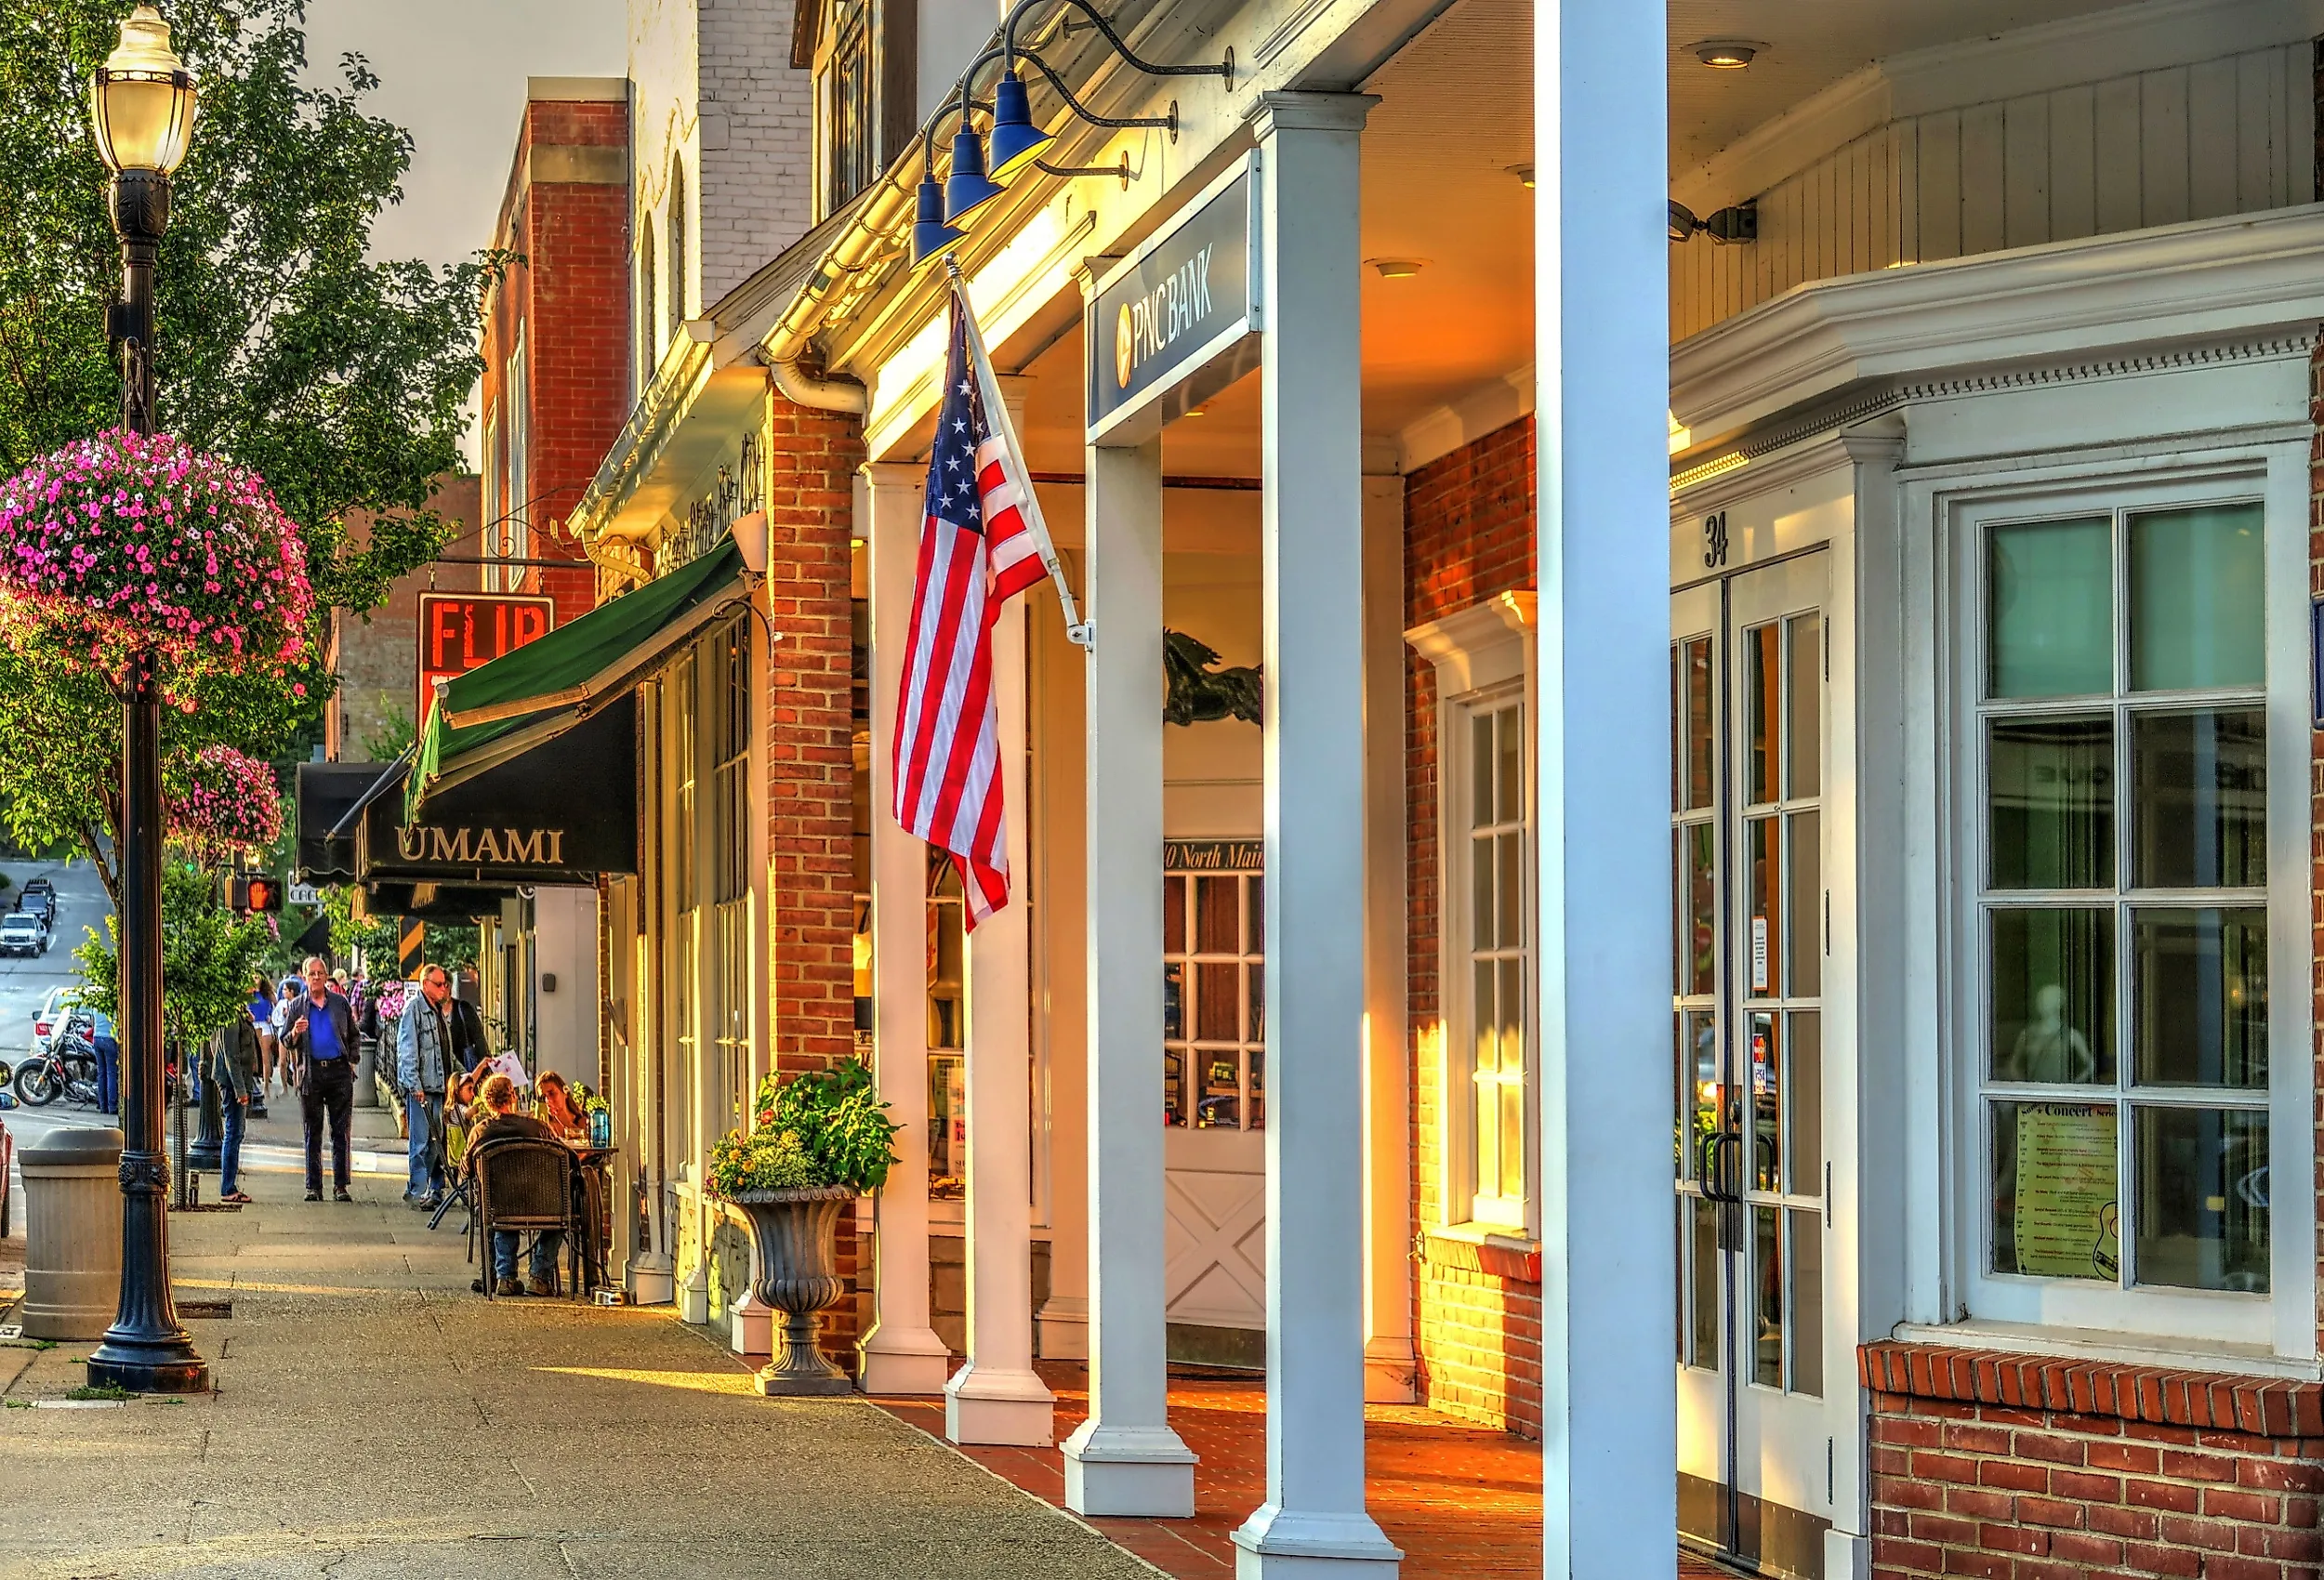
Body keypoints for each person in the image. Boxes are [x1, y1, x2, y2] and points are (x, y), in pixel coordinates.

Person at [469, 1073, 565, 1297]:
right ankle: (540, 1275)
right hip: (543, 1203)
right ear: (513, 1096)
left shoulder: (481, 1132)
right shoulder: (538, 1128)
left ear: (487, 1101)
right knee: (563, 1215)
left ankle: (506, 1277)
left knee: (499, 1208)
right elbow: (564, 1158)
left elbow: (466, 1168)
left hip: (500, 1205)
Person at [281, 956, 359, 1202]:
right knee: (312, 1131)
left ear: (326, 977)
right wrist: (295, 1032)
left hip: (338, 1072)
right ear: (304, 977)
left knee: (340, 1131)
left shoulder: (339, 1003)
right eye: (311, 973)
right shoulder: (297, 1007)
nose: (316, 977)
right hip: (311, 1073)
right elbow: (285, 1039)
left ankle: (340, 1185)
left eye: (320, 973)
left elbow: (354, 1035)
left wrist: (352, 1060)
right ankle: (313, 1186)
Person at [394, 963, 464, 1210]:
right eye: (438, 984)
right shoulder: (415, 1010)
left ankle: (434, 1190)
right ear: (425, 984)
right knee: (421, 1142)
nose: (444, 988)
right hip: (424, 1088)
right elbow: (407, 1049)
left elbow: (446, 1051)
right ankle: (417, 1191)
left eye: (445, 984)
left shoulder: (437, 1011)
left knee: (437, 1142)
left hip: (439, 1087)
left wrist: (463, 1075)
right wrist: (415, 1084)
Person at [206, 1007, 263, 1205]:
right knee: (233, 1132)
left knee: (236, 1132)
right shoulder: (230, 1015)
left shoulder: (237, 1013)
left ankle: (229, 1186)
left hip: (235, 1081)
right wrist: (241, 1090)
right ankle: (228, 1188)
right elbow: (231, 1055)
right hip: (232, 1083)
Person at [245, 971, 277, 1119]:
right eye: (253, 977)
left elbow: (277, 1004)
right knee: (253, 1056)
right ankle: (255, 1084)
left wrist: (272, 1015)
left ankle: (265, 1086)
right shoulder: (248, 993)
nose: (255, 980)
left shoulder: (267, 993)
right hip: (252, 1024)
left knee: (265, 1056)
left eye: (257, 977)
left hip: (264, 1024)